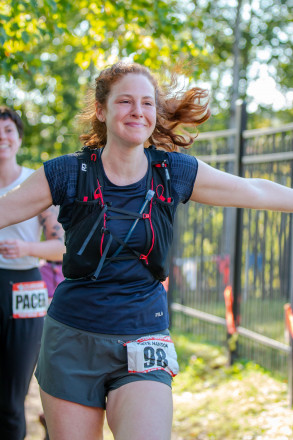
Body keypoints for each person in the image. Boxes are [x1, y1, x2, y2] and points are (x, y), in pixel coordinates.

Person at [0, 62, 293, 440]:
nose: (138, 110)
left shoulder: (173, 172)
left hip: (143, 336)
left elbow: (255, 191)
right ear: (102, 111)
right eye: (125, 101)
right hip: (71, 340)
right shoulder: (67, 173)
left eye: (147, 102)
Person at [0, 106, 65, 440]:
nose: (2, 137)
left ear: (19, 137)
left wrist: (26, 249)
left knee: (13, 399)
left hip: (27, 285)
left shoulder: (35, 184)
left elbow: (60, 247)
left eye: (9, 130)